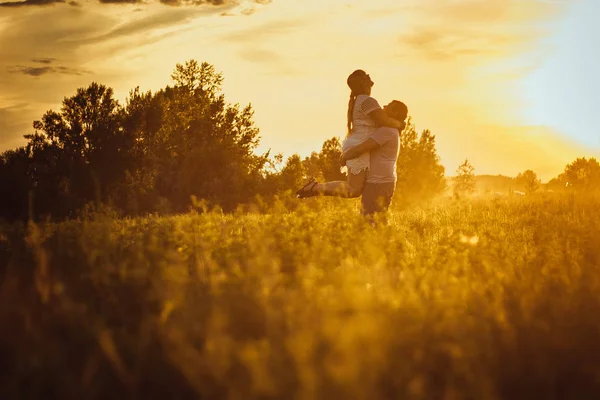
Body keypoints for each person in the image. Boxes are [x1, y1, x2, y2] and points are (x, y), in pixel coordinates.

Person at [295, 69, 405, 199]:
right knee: (353, 189)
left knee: (355, 188)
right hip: (359, 146)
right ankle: (315, 188)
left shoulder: (361, 100)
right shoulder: (367, 101)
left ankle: (315, 188)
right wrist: (400, 125)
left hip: (359, 143)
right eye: (365, 75)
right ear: (363, 83)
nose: (369, 75)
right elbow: (384, 120)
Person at [341, 100, 408, 219]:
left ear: (395, 112)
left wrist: (345, 156)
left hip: (378, 183)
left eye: (389, 105)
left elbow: (363, 148)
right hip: (383, 182)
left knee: (368, 222)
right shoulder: (391, 130)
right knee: (378, 221)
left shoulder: (387, 131)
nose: (384, 106)